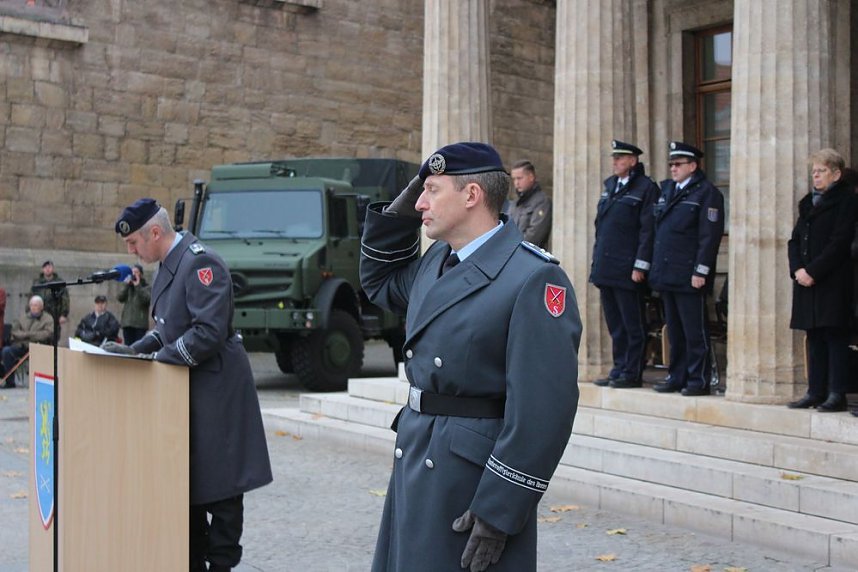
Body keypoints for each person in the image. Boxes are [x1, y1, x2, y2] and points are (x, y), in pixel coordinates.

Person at [360, 142, 581, 572]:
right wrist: (403, 209)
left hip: (470, 479)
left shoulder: (534, 277)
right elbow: (380, 282)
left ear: (472, 195)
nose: (420, 203)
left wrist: (501, 506)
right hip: (418, 451)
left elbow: (543, 409)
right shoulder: (437, 261)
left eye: (431, 191)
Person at [107, 199, 273, 572]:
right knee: (190, 483)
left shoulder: (199, 262)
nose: (131, 252)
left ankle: (221, 563)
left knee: (223, 487)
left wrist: (157, 360)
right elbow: (168, 329)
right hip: (187, 388)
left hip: (217, 391)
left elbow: (207, 332)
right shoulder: (169, 265)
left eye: (133, 242)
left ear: (154, 232)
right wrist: (133, 351)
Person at [648, 141, 724, 396]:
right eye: (671, 164)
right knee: (675, 330)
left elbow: (709, 236)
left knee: (694, 331)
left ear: (693, 166)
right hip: (667, 271)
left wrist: (701, 271)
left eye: (678, 164)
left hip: (689, 273)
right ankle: (677, 375)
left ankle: (697, 379)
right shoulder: (668, 190)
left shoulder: (706, 193)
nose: (673, 168)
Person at [787, 149, 858, 412]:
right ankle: (815, 391)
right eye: (814, 171)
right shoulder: (808, 202)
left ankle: (836, 393)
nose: (815, 176)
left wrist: (813, 271)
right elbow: (795, 240)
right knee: (814, 335)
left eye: (821, 171)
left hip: (832, 279)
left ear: (836, 174)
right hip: (806, 279)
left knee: (834, 335)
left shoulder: (847, 201)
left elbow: (840, 242)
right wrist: (797, 269)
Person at [591, 140, 659, 388]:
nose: (615, 162)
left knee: (633, 324)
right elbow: (601, 228)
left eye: (620, 158)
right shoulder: (610, 186)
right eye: (614, 158)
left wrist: (641, 265)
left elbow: (648, 230)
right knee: (615, 324)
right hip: (607, 266)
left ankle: (632, 371)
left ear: (633, 160)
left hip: (628, 268)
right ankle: (619, 368)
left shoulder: (645, 188)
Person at [1, 295, 53, 388]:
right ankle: (10, 382)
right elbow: (15, 332)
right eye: (31, 305)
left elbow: (47, 334)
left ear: (41, 307)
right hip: (22, 345)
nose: (33, 307)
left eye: (36, 305)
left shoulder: (48, 319)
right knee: (6, 351)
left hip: (38, 347)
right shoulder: (23, 317)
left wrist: (27, 335)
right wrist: (30, 335)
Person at [508, 160, 552, 248]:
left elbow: (534, 236)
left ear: (531, 177)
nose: (516, 183)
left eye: (519, 178)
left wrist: (509, 246)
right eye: (514, 179)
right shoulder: (515, 203)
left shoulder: (542, 202)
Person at [117, 264, 151, 346]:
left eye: (136, 272)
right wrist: (126, 285)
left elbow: (146, 300)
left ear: (141, 274)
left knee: (138, 347)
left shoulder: (146, 287)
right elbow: (120, 298)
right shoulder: (128, 287)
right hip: (127, 323)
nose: (134, 274)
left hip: (140, 324)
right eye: (132, 272)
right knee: (127, 347)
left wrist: (138, 286)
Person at [31, 260, 69, 330]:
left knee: (54, 332)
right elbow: (31, 297)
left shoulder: (59, 282)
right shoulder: (37, 282)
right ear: (43, 269)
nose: (47, 269)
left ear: (53, 269)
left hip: (55, 313)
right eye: (45, 267)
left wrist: (64, 314)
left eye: (49, 267)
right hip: (40, 313)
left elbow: (65, 299)